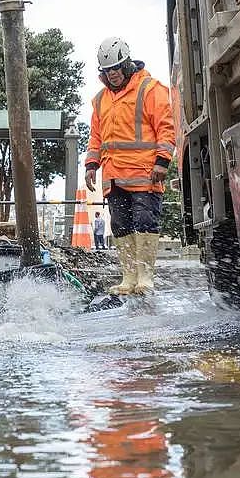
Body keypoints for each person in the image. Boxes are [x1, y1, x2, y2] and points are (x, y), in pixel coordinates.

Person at [85, 37, 175, 295]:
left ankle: (145, 277)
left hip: (145, 174)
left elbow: (166, 128)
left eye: (116, 69)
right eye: (107, 71)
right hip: (113, 176)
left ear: (126, 64)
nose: (112, 74)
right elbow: (96, 137)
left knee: (145, 221)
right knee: (121, 225)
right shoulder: (100, 100)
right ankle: (129, 278)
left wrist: (162, 161)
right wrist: (92, 164)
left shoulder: (150, 89)